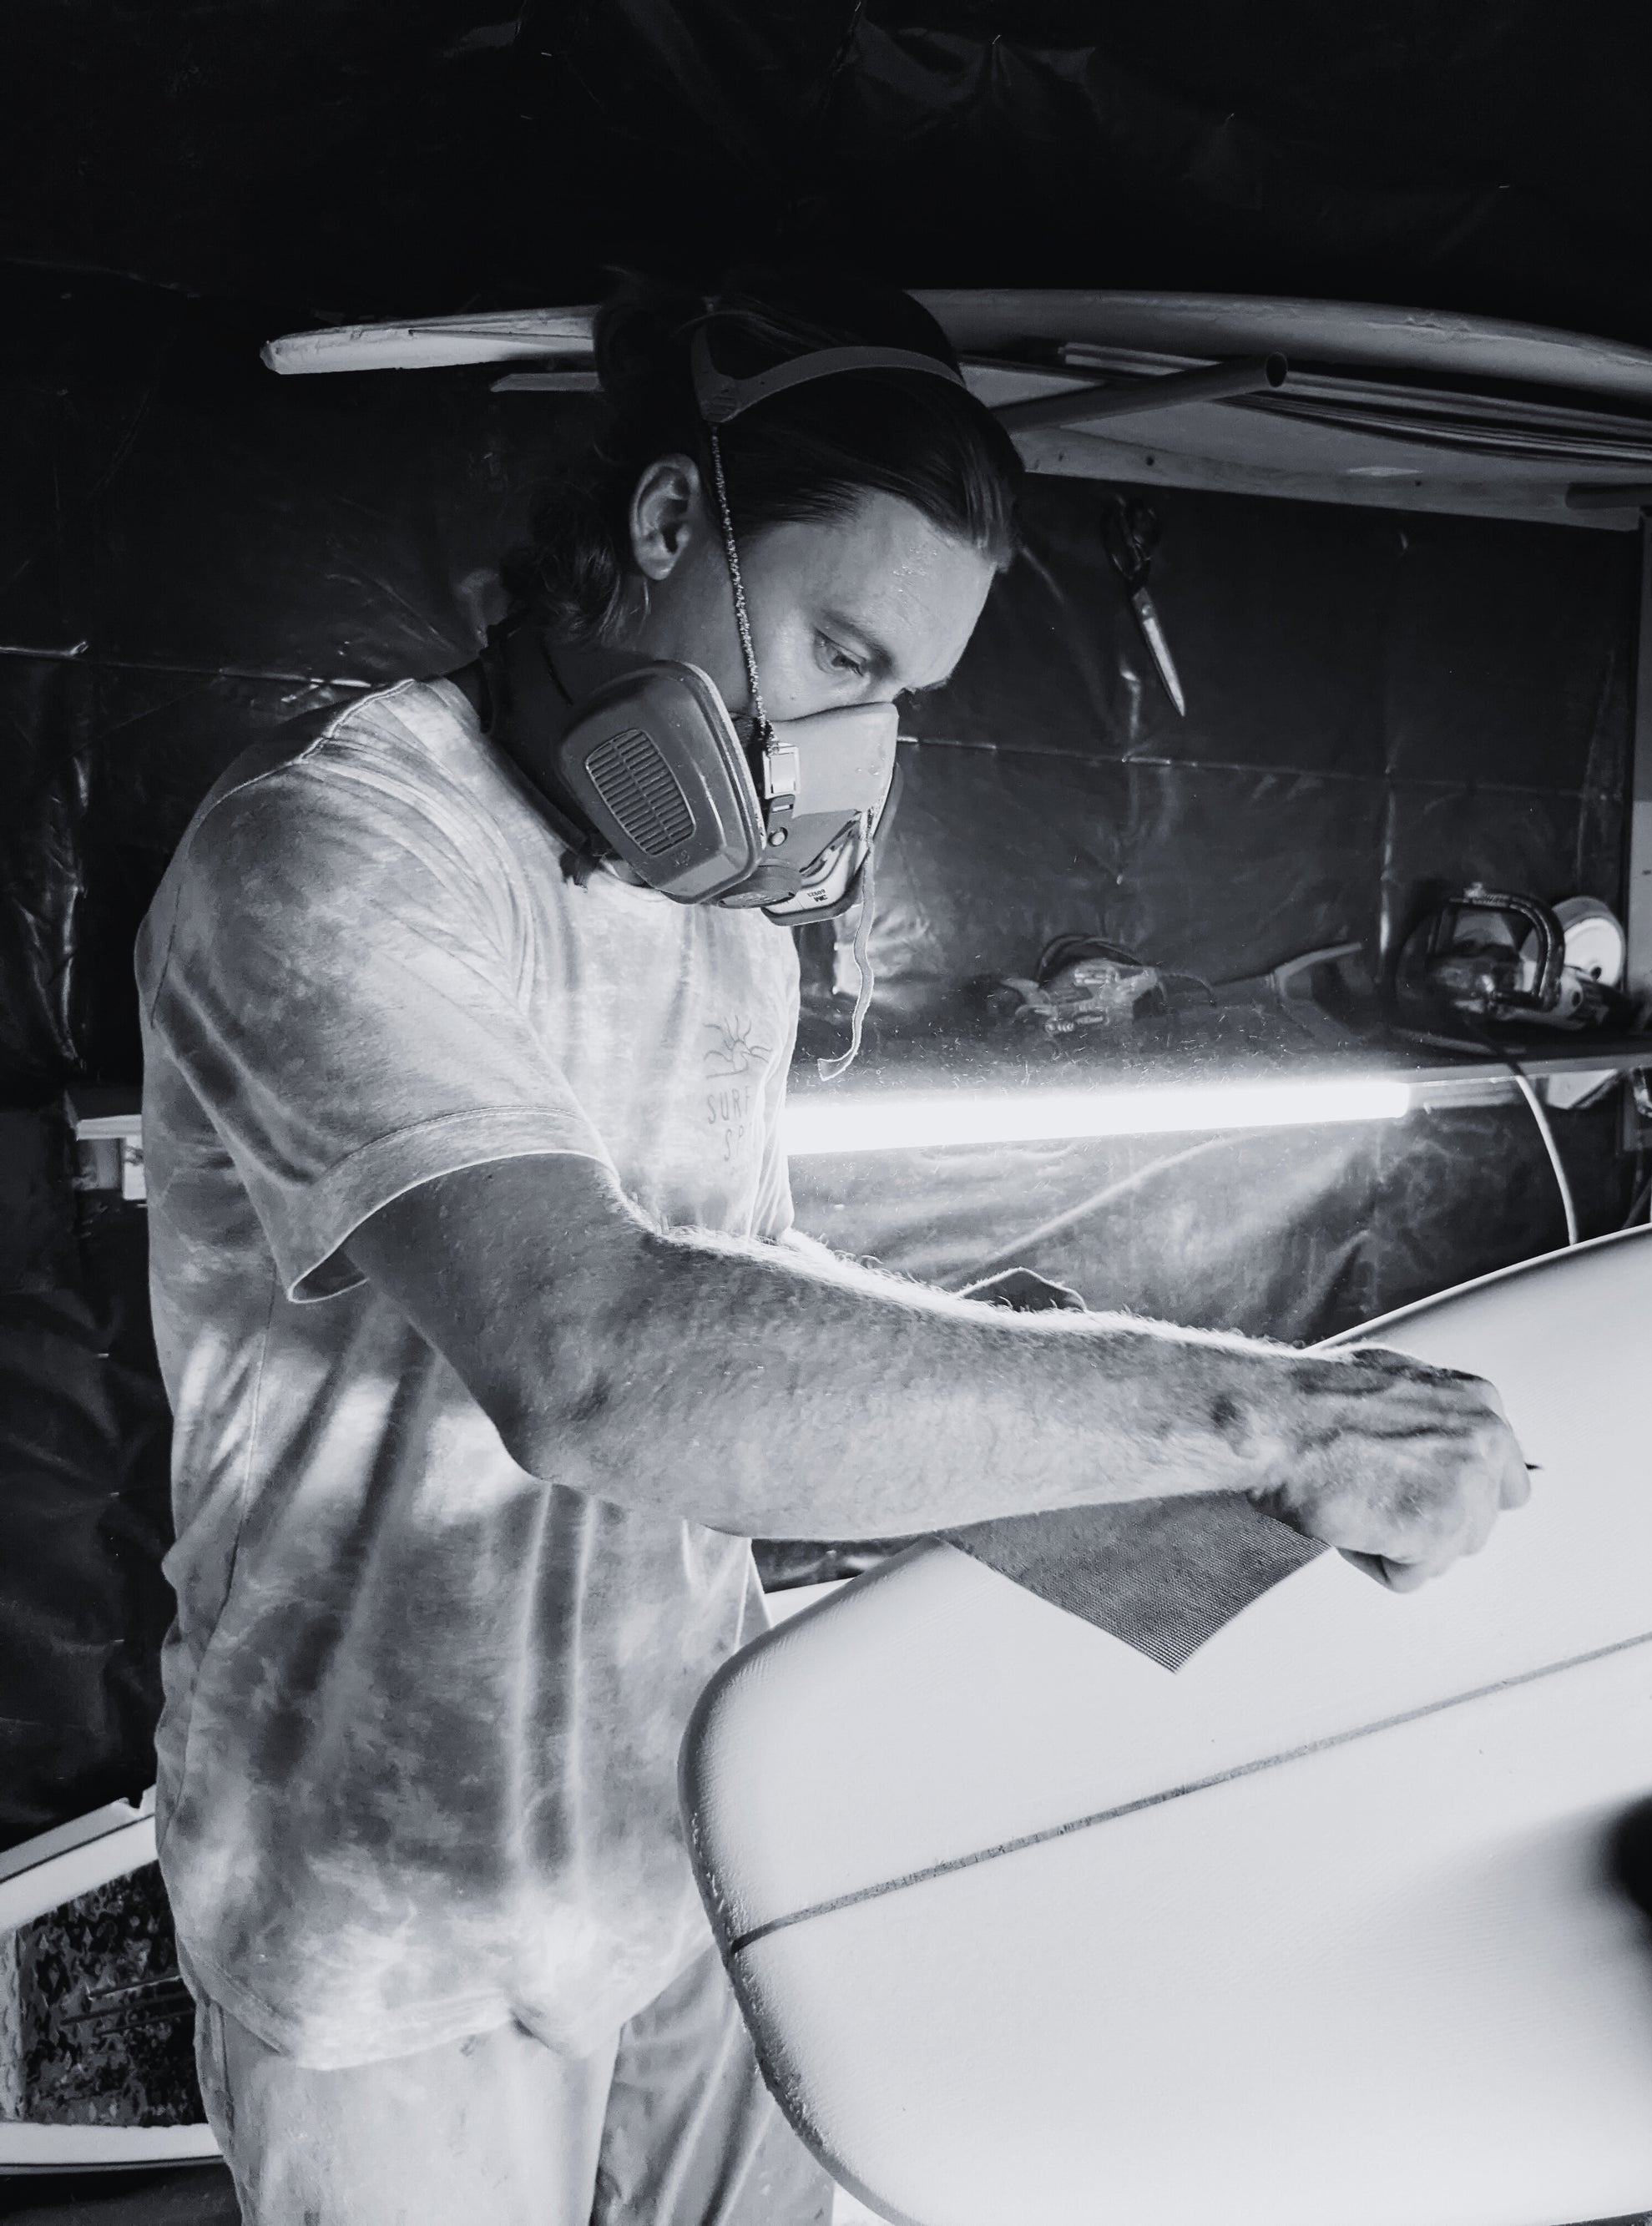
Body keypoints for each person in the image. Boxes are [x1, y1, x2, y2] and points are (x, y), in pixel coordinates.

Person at [134, 270, 1529, 2226]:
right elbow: (597, 1357)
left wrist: (1119, 1465)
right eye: (838, 650)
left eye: (896, 696)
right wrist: (1251, 1412)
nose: (847, 742)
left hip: (679, 1834)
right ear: (666, 525)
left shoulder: (712, 917)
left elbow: (734, 1288)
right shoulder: (337, 855)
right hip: (387, 1903)